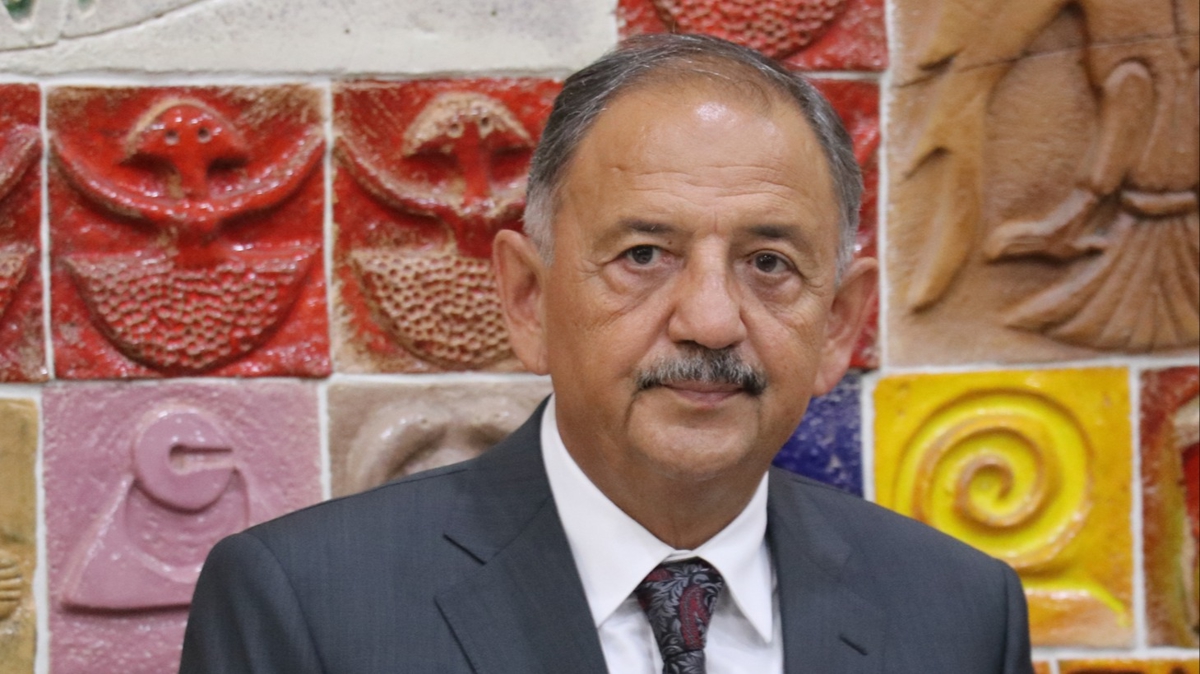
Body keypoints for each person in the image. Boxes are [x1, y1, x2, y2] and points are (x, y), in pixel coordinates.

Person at [180, 34, 1035, 674]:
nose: (710, 321)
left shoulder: (958, 615)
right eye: (644, 255)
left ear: (839, 325)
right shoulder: (307, 607)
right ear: (528, 298)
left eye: (769, 264)